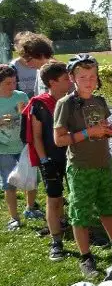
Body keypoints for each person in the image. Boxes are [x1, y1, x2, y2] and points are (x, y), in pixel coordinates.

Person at [54, 54, 112, 278]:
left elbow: (103, 125)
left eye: (92, 76)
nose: (89, 81)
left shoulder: (99, 101)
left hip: (103, 164)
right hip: (81, 167)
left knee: (107, 206)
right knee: (80, 214)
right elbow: (59, 139)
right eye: (83, 77)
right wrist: (88, 133)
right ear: (73, 78)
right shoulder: (65, 104)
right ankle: (86, 256)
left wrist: (110, 130)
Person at [25, 62, 72, 260]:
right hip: (51, 159)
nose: (70, 81)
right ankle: (56, 242)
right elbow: (36, 136)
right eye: (65, 79)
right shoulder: (40, 104)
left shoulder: (72, 101)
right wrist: (44, 160)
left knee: (75, 197)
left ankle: (71, 226)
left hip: (72, 158)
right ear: (52, 82)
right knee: (53, 199)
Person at [0, 64, 38, 231]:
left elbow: (29, 118)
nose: (12, 86)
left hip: (24, 145)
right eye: (8, 83)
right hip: (4, 149)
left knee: (31, 178)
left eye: (14, 82)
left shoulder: (21, 96)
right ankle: (14, 218)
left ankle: (30, 208)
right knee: (9, 184)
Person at [10, 31, 54, 99]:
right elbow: (37, 96)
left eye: (29, 59)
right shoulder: (39, 71)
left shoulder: (59, 71)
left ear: (41, 54)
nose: (27, 64)